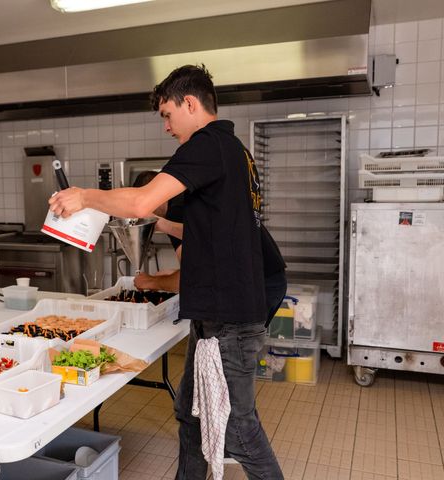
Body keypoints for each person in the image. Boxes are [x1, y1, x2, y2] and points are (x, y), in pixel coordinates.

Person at [49, 64, 283, 479]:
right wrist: (129, 215)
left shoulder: (208, 144)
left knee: (239, 429)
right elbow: (184, 219)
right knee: (190, 416)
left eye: (167, 114)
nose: (166, 127)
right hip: (216, 315)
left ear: (189, 103)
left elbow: (142, 202)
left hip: (229, 319)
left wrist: (85, 196)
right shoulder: (234, 150)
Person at [132, 170, 287, 326]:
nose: (141, 212)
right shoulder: (187, 199)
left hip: (257, 284)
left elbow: (189, 280)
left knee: (232, 344)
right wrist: (173, 274)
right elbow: (205, 257)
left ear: (153, 197)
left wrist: (152, 282)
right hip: (269, 276)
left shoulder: (176, 212)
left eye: (141, 203)